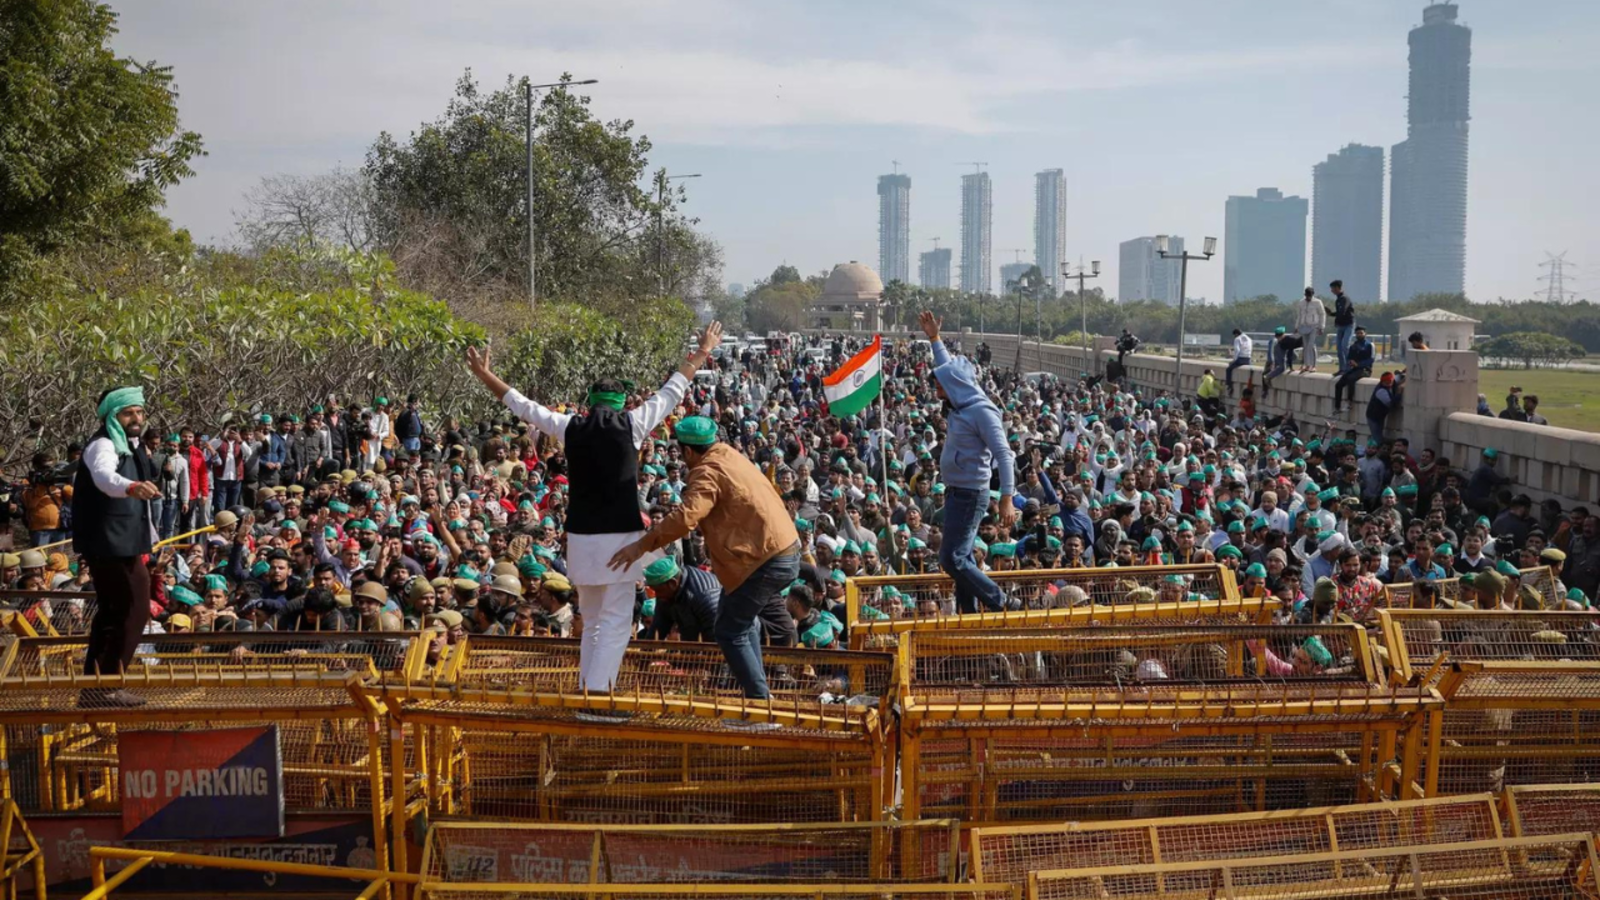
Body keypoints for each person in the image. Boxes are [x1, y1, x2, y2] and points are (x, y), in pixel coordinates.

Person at [466, 320, 721, 695]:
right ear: (622, 402)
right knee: (615, 621)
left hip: (582, 541)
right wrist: (702, 352)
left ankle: (589, 689)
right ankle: (598, 696)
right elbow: (673, 390)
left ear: (591, 402)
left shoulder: (570, 426)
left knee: (594, 619)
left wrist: (486, 375)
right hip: (621, 538)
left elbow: (524, 406)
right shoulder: (634, 423)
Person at [608, 416, 800, 710]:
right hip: (770, 553)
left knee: (729, 630)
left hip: (763, 559)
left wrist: (641, 546)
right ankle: (761, 696)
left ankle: (760, 704)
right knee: (738, 622)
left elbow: (686, 517)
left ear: (687, 452)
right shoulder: (727, 454)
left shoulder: (707, 470)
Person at [71, 386, 164, 706]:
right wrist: (132, 487)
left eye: (139, 411)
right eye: (128, 413)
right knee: (132, 611)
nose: (136, 418)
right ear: (113, 415)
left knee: (113, 614)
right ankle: (106, 686)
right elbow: (104, 477)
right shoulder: (104, 445)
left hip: (121, 542)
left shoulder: (132, 446)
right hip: (109, 543)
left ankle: (95, 687)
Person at [919, 310, 1015, 613]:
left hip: (971, 493)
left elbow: (1004, 454)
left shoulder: (982, 412)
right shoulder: (960, 400)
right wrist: (935, 338)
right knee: (963, 557)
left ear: (954, 387)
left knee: (952, 558)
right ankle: (968, 611)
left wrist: (1007, 499)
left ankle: (1003, 601)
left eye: (939, 386)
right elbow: (948, 367)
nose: (936, 391)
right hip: (956, 491)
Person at [1332, 327, 1374, 415]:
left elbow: (1371, 359)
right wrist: (1351, 362)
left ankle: (1349, 402)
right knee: (1339, 384)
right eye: (1358, 333)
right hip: (1354, 369)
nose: (1359, 335)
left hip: (1365, 370)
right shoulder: (1353, 346)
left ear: (1365, 334)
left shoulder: (1369, 345)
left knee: (1351, 379)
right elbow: (1349, 358)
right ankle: (1337, 407)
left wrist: (1359, 364)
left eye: (1361, 333)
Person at [1293, 288, 1327, 373]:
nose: (1308, 297)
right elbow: (1299, 315)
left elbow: (1322, 314)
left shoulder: (1317, 302)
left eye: (1310, 296)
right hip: (1304, 326)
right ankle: (1307, 365)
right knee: (1305, 346)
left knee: (1311, 345)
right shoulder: (1301, 302)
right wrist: (1296, 327)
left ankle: (1314, 365)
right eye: (1307, 295)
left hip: (1314, 326)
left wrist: (1321, 327)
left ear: (1312, 295)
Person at [1365, 370, 1403, 444]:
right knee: (1377, 438)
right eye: (1387, 382)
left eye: (1391, 381)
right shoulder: (1381, 391)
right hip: (1373, 418)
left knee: (1379, 435)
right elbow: (1392, 404)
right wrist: (1399, 394)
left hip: (1380, 416)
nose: (1390, 384)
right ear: (1383, 382)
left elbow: (1399, 377)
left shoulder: (1391, 383)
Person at [1330, 280, 1355, 373]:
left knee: (1345, 346)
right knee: (1339, 349)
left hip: (1348, 325)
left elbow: (1342, 311)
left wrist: (1336, 318)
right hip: (1341, 326)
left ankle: (1349, 368)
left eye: (1332, 288)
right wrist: (1331, 313)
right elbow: (1338, 313)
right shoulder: (1338, 300)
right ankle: (1342, 369)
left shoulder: (1345, 298)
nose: (1331, 291)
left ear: (1337, 288)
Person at [1225, 329, 1252, 396]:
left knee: (1228, 369)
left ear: (1236, 334)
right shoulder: (1249, 339)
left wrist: (1234, 360)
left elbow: (1237, 350)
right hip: (1248, 359)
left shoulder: (1237, 339)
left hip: (1240, 359)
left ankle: (1229, 386)